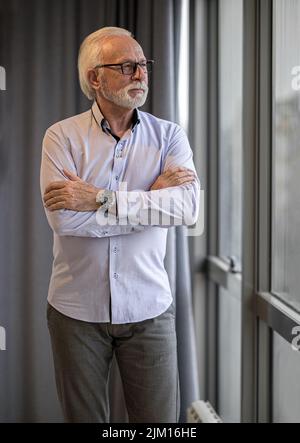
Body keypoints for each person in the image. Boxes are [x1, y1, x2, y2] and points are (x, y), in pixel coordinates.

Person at [40, 26, 200, 423]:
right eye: (127, 66)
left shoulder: (170, 137)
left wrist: (99, 198)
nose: (141, 74)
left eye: (144, 65)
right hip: (76, 310)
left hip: (149, 308)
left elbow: (187, 210)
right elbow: (64, 219)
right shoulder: (61, 137)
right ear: (95, 78)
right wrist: (150, 201)